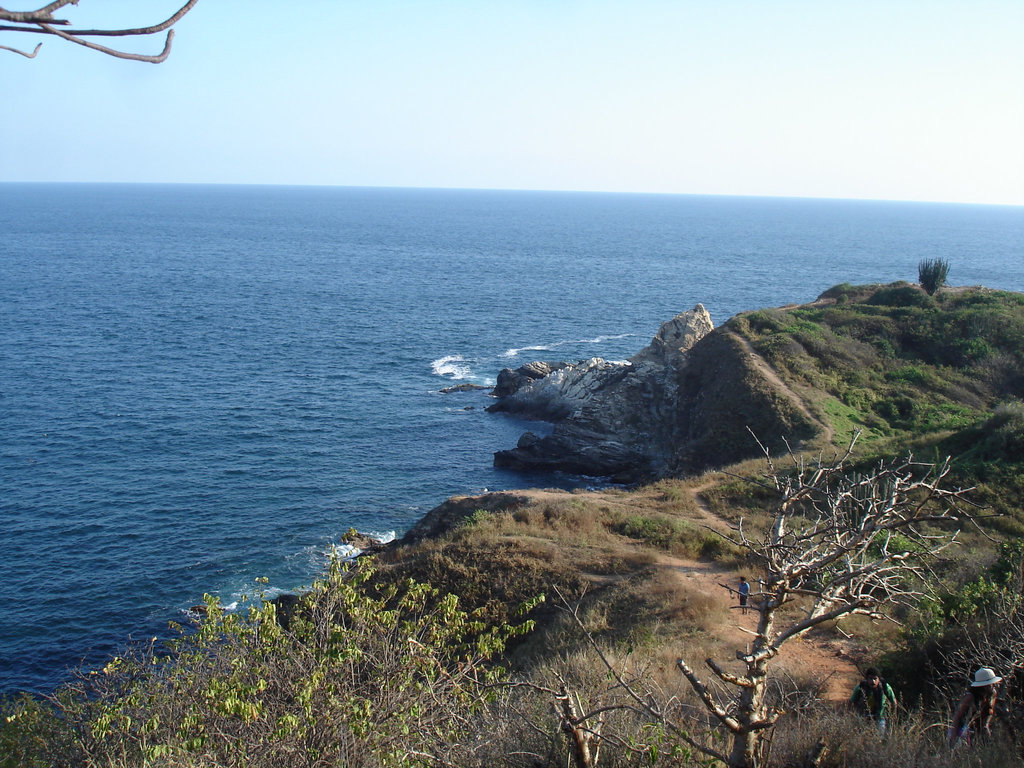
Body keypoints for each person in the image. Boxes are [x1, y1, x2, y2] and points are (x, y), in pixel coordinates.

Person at [949, 667, 1002, 747]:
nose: (995, 685)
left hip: (982, 733)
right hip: (965, 733)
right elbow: (957, 717)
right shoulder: (970, 697)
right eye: (992, 684)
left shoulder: (992, 694)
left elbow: (989, 713)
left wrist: (986, 727)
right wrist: (952, 739)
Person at [849, 667, 897, 733]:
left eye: (875, 679)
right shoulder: (861, 687)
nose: (873, 681)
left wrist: (893, 716)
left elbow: (893, 701)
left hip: (880, 717)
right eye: (870, 678)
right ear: (867, 679)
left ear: (879, 679)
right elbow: (852, 701)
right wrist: (852, 716)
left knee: (879, 738)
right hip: (863, 716)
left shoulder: (885, 687)